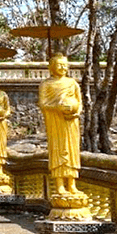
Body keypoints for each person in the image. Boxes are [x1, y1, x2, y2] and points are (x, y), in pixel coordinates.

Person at [38, 53, 82, 195]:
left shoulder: (72, 83)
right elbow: (43, 104)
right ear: (52, 67)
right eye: (59, 65)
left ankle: (72, 183)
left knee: (71, 151)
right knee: (58, 150)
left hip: (70, 122)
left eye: (65, 65)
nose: (63, 67)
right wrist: (57, 107)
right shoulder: (46, 84)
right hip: (55, 122)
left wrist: (76, 112)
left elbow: (79, 102)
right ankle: (59, 185)